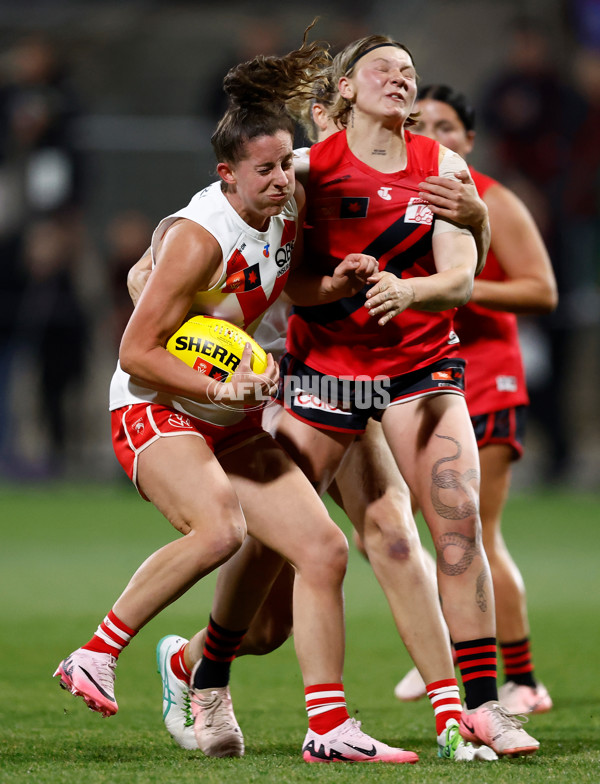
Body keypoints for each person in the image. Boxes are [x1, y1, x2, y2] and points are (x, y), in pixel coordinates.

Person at [149, 36, 540, 760]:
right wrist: (155, 279)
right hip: (321, 373)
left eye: (411, 72)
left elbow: (458, 279)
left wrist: (426, 275)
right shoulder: (299, 172)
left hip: (417, 369)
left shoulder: (442, 169)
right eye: (383, 68)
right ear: (346, 92)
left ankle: (474, 708)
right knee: (272, 573)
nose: (401, 77)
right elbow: (206, 232)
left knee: (434, 529)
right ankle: (202, 665)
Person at [53, 33, 419, 766]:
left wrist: (334, 285)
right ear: (227, 174)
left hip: (231, 409)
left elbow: (282, 285)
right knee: (218, 530)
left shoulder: (287, 202)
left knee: (320, 552)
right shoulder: (198, 236)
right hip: (155, 406)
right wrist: (222, 381)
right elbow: (137, 352)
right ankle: (95, 652)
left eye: (289, 163)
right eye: (267, 169)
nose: (285, 179)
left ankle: (328, 729)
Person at [392, 83, 557, 714]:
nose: (431, 134)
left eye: (445, 125)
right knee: (402, 525)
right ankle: (445, 655)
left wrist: (455, 286)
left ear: (469, 138)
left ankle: (520, 679)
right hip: (423, 374)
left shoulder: (491, 198)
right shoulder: (402, 195)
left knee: (475, 532)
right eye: (419, 123)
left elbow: (541, 290)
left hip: (487, 373)